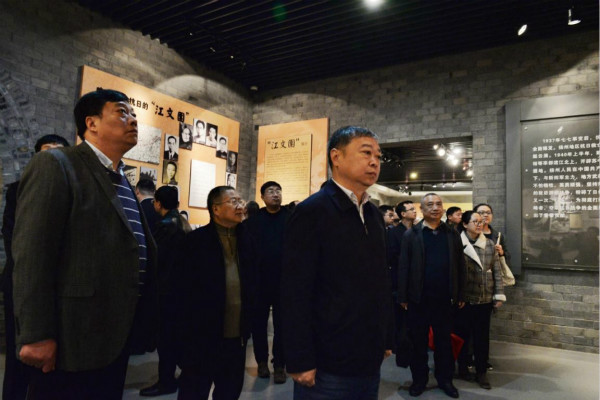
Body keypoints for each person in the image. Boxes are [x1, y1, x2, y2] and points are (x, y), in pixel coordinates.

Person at [12, 89, 158, 399]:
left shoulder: (120, 178)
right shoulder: (57, 164)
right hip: (73, 335)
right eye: (122, 112)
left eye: (134, 114)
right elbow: (33, 254)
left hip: (115, 333)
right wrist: (36, 334)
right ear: (91, 123)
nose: (133, 120)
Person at [281, 126, 394, 400]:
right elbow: (294, 291)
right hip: (327, 360)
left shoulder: (373, 215)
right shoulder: (312, 212)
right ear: (336, 157)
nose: (374, 162)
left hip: (368, 354)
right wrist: (299, 358)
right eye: (366, 153)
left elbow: (380, 282)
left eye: (378, 156)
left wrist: (385, 336)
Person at [1, 134, 70, 400]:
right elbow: (14, 239)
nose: (52, 157)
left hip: (59, 286)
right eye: (46, 151)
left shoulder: (72, 189)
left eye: (59, 152)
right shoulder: (18, 189)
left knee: (52, 361)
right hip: (22, 280)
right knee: (19, 354)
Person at [173, 186, 257, 400]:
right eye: (233, 201)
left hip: (237, 338)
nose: (240, 206)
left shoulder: (248, 240)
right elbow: (180, 293)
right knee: (194, 391)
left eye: (241, 201)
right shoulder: (195, 242)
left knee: (230, 391)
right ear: (216, 209)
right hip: (202, 337)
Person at [398, 193, 465, 399]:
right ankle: (419, 380)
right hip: (418, 299)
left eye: (438, 204)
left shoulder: (452, 234)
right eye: (430, 204)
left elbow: (460, 265)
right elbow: (404, 266)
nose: (435, 208)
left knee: (444, 343)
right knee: (418, 343)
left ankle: (445, 380)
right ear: (422, 209)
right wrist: (403, 296)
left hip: (445, 299)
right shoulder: (411, 235)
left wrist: (461, 293)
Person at [140, 186, 192, 397]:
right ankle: (183, 375)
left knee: (166, 340)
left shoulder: (164, 227)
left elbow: (157, 261)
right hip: (181, 292)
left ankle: (166, 381)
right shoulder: (182, 223)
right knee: (175, 338)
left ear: (158, 203)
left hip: (166, 292)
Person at [454, 211, 504, 390]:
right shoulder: (457, 242)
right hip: (464, 298)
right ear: (465, 224)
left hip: (484, 297)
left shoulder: (489, 243)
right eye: (475, 221)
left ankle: (481, 371)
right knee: (462, 336)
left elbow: (497, 270)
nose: (479, 224)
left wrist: (499, 294)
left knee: (482, 338)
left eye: (481, 221)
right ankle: (462, 368)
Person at [245, 181, 290, 384]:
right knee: (258, 324)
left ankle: (280, 364)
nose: (275, 194)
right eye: (270, 191)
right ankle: (261, 361)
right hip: (259, 282)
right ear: (262, 197)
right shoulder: (254, 221)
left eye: (278, 190)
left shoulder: (290, 218)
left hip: (284, 282)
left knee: (283, 325)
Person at [473, 202, 510, 371]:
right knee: (469, 326)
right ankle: (468, 357)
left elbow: (506, 258)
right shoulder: (469, 234)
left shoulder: (497, 235)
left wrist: (501, 252)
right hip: (472, 285)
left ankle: (482, 360)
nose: (485, 215)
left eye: (488, 212)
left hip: (490, 285)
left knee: (484, 327)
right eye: (481, 212)